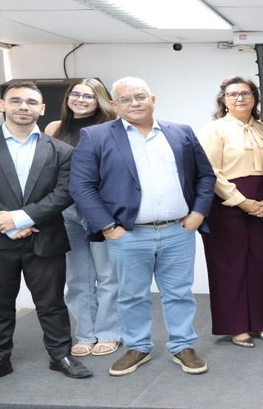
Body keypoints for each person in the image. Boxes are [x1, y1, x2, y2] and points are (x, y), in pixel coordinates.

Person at [69, 76, 216, 376]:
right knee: (131, 294)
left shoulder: (180, 132)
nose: (134, 103)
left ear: (153, 99)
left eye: (140, 96)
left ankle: (182, 346)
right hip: (128, 234)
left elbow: (205, 176)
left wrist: (199, 213)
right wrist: (109, 227)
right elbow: (81, 186)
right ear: (113, 104)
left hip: (178, 231)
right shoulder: (96, 136)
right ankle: (137, 346)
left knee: (179, 293)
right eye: (125, 99)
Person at [0, 80, 92, 392]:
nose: (23, 107)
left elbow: (64, 193)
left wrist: (22, 218)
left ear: (42, 109)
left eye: (31, 102)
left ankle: (61, 356)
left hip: (45, 237)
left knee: (52, 303)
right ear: (2, 105)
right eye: (15, 100)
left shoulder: (61, 151)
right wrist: (9, 223)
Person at [199, 77, 263, 348]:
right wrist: (240, 200)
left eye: (245, 93)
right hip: (226, 202)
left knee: (261, 263)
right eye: (233, 95)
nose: (240, 99)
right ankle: (235, 326)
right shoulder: (214, 130)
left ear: (254, 97)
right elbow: (211, 171)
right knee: (230, 266)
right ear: (223, 99)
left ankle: (262, 321)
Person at [45, 78, 119, 357]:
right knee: (78, 277)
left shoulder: (110, 128)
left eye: (88, 95)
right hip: (66, 212)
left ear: (99, 99)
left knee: (107, 276)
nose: (80, 99)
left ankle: (110, 332)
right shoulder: (54, 128)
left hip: (100, 211)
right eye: (75, 94)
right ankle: (86, 334)